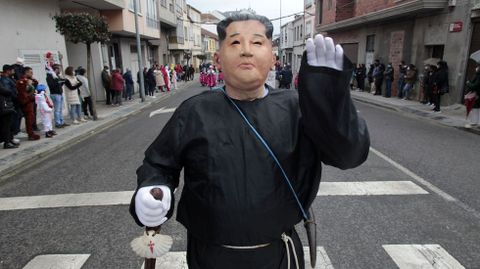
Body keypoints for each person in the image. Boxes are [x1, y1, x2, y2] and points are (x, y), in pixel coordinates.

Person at [129, 14, 369, 269]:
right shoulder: (194, 111)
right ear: (218, 59)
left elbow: (348, 154)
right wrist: (152, 189)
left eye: (256, 43)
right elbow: (159, 164)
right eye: (234, 43)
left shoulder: (297, 109)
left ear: (273, 57)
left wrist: (328, 101)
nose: (245, 51)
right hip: (210, 257)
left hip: (279, 255)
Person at [16, 67, 40, 140]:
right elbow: (23, 93)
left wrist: (32, 79)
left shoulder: (29, 80)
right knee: (29, 119)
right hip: (26, 102)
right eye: (30, 72)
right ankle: (30, 134)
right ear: (26, 72)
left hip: (30, 101)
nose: (32, 74)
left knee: (31, 118)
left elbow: (35, 84)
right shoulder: (22, 81)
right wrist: (29, 84)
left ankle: (31, 133)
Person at [0, 65, 22, 142]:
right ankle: (8, 140)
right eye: (12, 70)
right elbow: (7, 91)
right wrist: (15, 94)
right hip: (7, 103)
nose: (14, 72)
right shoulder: (4, 80)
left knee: (13, 120)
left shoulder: (9, 79)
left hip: (9, 103)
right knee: (8, 124)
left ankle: (10, 138)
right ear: (8, 71)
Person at [0, 83, 18, 148]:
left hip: (4, 107)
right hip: (3, 108)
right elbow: (7, 91)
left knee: (9, 125)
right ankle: (7, 142)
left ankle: (9, 140)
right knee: (6, 126)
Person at [466, 63, 480, 127]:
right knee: (477, 108)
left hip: (477, 94)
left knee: (475, 108)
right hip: (477, 94)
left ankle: (474, 122)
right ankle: (477, 122)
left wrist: (468, 83)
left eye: (478, 66)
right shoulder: (477, 75)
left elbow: (475, 85)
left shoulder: (479, 75)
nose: (476, 68)